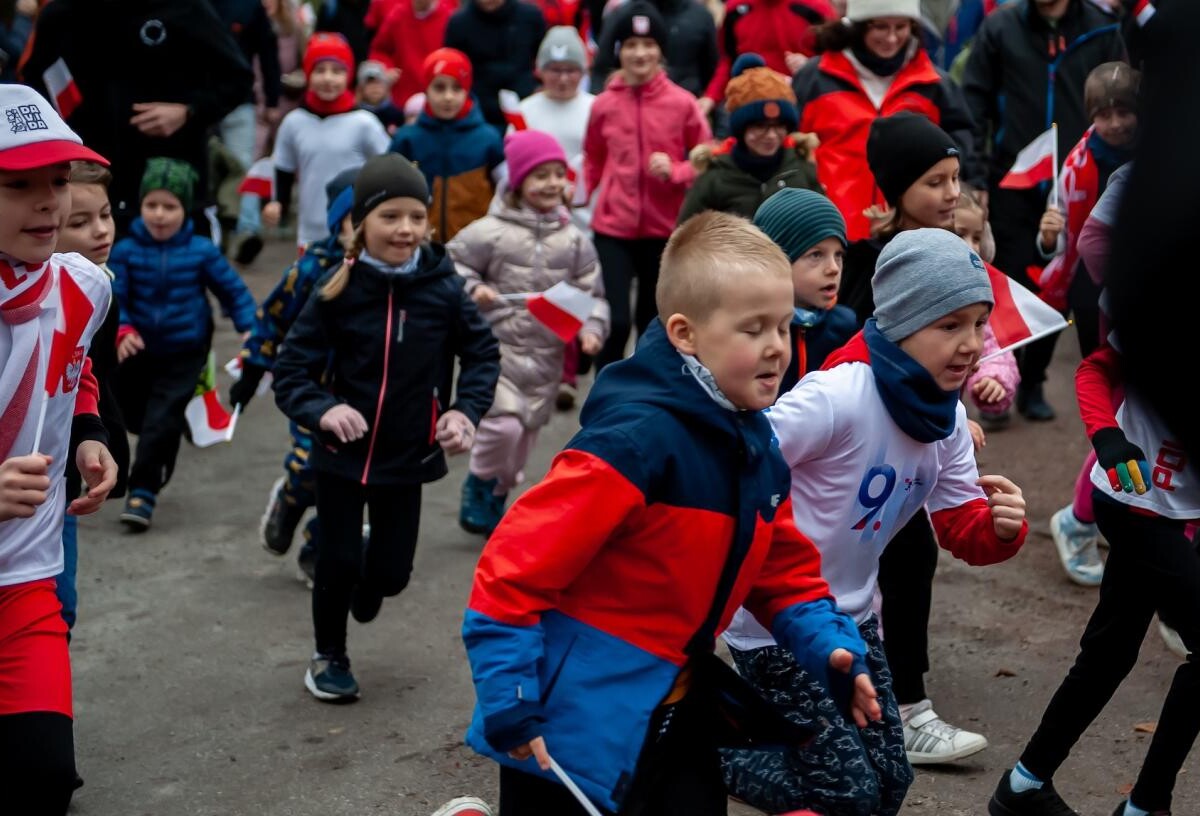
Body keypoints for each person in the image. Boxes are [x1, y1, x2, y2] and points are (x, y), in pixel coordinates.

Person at [462, 210, 878, 816]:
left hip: (680, 703)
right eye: (753, 329)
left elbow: (781, 568)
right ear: (685, 333)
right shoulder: (633, 445)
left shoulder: (754, 441)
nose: (776, 349)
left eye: (784, 327)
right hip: (569, 723)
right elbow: (510, 573)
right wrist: (512, 696)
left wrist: (829, 645)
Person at [722, 227, 1028, 815]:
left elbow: (962, 525)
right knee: (849, 794)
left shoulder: (947, 419)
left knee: (889, 782)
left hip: (857, 620)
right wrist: (768, 559)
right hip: (777, 621)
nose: (971, 345)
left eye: (979, 324)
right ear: (903, 322)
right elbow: (741, 463)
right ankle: (687, 750)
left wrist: (1000, 529)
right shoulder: (838, 396)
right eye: (950, 325)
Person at [272, 153, 500, 702]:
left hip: (407, 456)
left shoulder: (443, 289)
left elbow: (482, 354)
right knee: (337, 560)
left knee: (391, 575)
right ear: (360, 224)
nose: (405, 229)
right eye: (390, 217)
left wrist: (463, 411)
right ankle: (329, 656)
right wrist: (323, 409)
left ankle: (369, 577)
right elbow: (291, 371)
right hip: (339, 455)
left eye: (416, 217)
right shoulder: (337, 290)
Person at [988, 334, 1198, 816]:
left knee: (1110, 651)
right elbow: (1095, 370)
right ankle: (1146, 806)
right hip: (1133, 500)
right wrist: (1107, 435)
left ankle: (1024, 785)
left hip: (1176, 510)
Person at [0, 82, 118, 813]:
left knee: (45, 784)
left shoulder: (85, 285)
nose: (52, 203)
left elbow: (72, 367)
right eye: (19, 185)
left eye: (57, 180)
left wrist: (90, 436)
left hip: (23, 586)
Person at [961, 0, 1125, 421]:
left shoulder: (1104, 28)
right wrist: (976, 176)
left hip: (1084, 180)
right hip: (1015, 176)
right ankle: (997, 383)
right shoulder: (999, 28)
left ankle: (1033, 383)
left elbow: (1125, 97)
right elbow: (974, 103)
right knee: (1012, 285)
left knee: (1066, 292)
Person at [449, 130, 609, 537]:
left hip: (547, 356)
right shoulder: (488, 230)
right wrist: (474, 288)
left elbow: (592, 293)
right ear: (519, 182)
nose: (553, 183)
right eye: (541, 175)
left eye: (559, 174)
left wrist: (591, 328)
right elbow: (452, 265)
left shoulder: (575, 240)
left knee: (523, 444)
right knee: (504, 426)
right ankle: (478, 482)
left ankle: (496, 492)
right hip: (496, 350)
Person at [229, 168, 361, 586]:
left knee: (349, 480)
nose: (361, 232)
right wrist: (252, 370)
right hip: (313, 391)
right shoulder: (311, 268)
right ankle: (290, 498)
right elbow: (272, 320)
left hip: (367, 395)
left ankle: (316, 547)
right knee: (312, 468)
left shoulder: (389, 275)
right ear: (336, 222)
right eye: (352, 221)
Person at [110, 158, 257, 531]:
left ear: (185, 208)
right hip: (136, 352)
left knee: (161, 420)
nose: (160, 215)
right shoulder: (125, 250)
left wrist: (251, 328)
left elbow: (233, 290)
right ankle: (163, 437)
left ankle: (141, 492)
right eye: (152, 205)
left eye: (170, 206)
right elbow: (114, 295)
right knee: (137, 417)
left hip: (184, 351)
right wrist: (123, 328)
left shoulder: (201, 250)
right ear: (141, 206)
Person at [21, 0, 253, 233]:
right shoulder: (60, 15)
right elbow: (35, 88)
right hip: (94, 183)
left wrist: (188, 112)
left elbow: (238, 78)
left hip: (169, 181)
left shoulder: (186, 7)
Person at [1035, 62, 1137, 587]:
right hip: (1099, 295)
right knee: (1118, 413)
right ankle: (1079, 518)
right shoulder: (1081, 166)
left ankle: (1108, 512)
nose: (1117, 123)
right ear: (1090, 115)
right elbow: (1081, 242)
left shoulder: (1155, 151)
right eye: (1105, 113)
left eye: (1126, 111)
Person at [584, 1, 711, 371]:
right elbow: (593, 156)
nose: (640, 54)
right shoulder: (603, 104)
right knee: (615, 320)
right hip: (613, 227)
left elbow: (706, 158)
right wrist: (577, 197)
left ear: (660, 51)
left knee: (650, 323)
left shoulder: (682, 103)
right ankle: (602, 398)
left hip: (663, 229)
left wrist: (677, 170)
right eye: (631, 45)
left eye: (648, 45)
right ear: (619, 51)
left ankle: (642, 399)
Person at [791, 0, 981, 243]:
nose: (891, 38)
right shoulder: (815, 78)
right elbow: (792, 148)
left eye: (901, 26)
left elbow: (962, 144)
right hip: (832, 234)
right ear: (858, 26)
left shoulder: (934, 84)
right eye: (880, 27)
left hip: (910, 237)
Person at [52, 162, 129, 631]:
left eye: (105, 214)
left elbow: (81, 372)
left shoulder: (100, 285)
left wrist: (96, 435)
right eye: (79, 222)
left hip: (60, 481)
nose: (100, 231)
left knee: (61, 609)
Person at [264, 32, 390, 248]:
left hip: (356, 233)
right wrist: (278, 203)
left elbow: (388, 167)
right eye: (320, 70)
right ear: (308, 74)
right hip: (310, 234)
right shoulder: (294, 122)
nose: (328, 78)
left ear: (348, 75)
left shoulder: (364, 122)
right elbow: (283, 167)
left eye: (337, 71)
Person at [679, 53, 821, 224]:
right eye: (760, 126)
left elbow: (823, 227)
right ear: (741, 129)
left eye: (779, 126)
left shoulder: (801, 169)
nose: (771, 135)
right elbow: (686, 236)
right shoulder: (715, 177)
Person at [389, 48, 505, 243]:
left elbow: (506, 191)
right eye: (439, 88)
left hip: (476, 245)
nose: (448, 97)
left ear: (467, 90)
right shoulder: (407, 139)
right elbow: (388, 189)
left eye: (457, 88)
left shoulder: (488, 139)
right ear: (426, 89)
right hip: (419, 246)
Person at [752, 187, 857, 395]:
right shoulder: (751, 329)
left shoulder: (845, 327)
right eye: (816, 255)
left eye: (838, 255)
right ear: (776, 262)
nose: (833, 268)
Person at [954, 184, 1020, 433]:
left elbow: (993, 344)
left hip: (948, 414)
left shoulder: (978, 293)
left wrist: (992, 377)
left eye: (977, 238)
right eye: (960, 234)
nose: (971, 247)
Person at [700, 0, 837, 116]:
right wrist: (711, 97)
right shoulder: (735, 9)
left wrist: (810, 66)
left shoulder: (816, 7)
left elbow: (838, 61)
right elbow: (727, 61)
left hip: (804, 104)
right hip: (749, 106)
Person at [519, 26, 594, 232]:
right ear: (540, 70)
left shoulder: (596, 108)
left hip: (585, 220)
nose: (563, 79)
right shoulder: (525, 110)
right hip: (534, 219)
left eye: (570, 70)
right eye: (555, 70)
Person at [444, 0, 547, 134]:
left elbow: (544, 58)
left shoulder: (530, 16)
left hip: (525, 105)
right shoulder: (459, 23)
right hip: (477, 113)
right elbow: (452, 69)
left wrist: (539, 86)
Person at [592, 0, 719, 100]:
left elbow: (713, 72)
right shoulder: (622, 15)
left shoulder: (700, 16)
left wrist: (720, 127)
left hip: (686, 112)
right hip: (628, 110)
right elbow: (601, 70)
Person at [367, 0, 455, 111]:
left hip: (439, 99)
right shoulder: (398, 16)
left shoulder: (450, 18)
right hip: (403, 99)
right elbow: (379, 50)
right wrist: (386, 68)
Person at [356, 59, 405, 132]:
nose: (375, 87)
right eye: (370, 83)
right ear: (361, 89)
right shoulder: (355, 114)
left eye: (378, 82)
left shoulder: (396, 115)